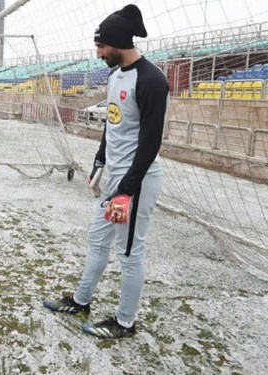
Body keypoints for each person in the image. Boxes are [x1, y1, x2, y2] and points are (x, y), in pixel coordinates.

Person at [44, 4, 168, 339]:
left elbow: (150, 142)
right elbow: (111, 126)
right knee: (97, 241)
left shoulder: (152, 80)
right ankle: (81, 301)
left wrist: (127, 189)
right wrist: (100, 161)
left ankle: (125, 322)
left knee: (129, 253)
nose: (98, 53)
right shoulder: (115, 76)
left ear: (117, 42)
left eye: (101, 47)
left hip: (137, 182)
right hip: (114, 178)